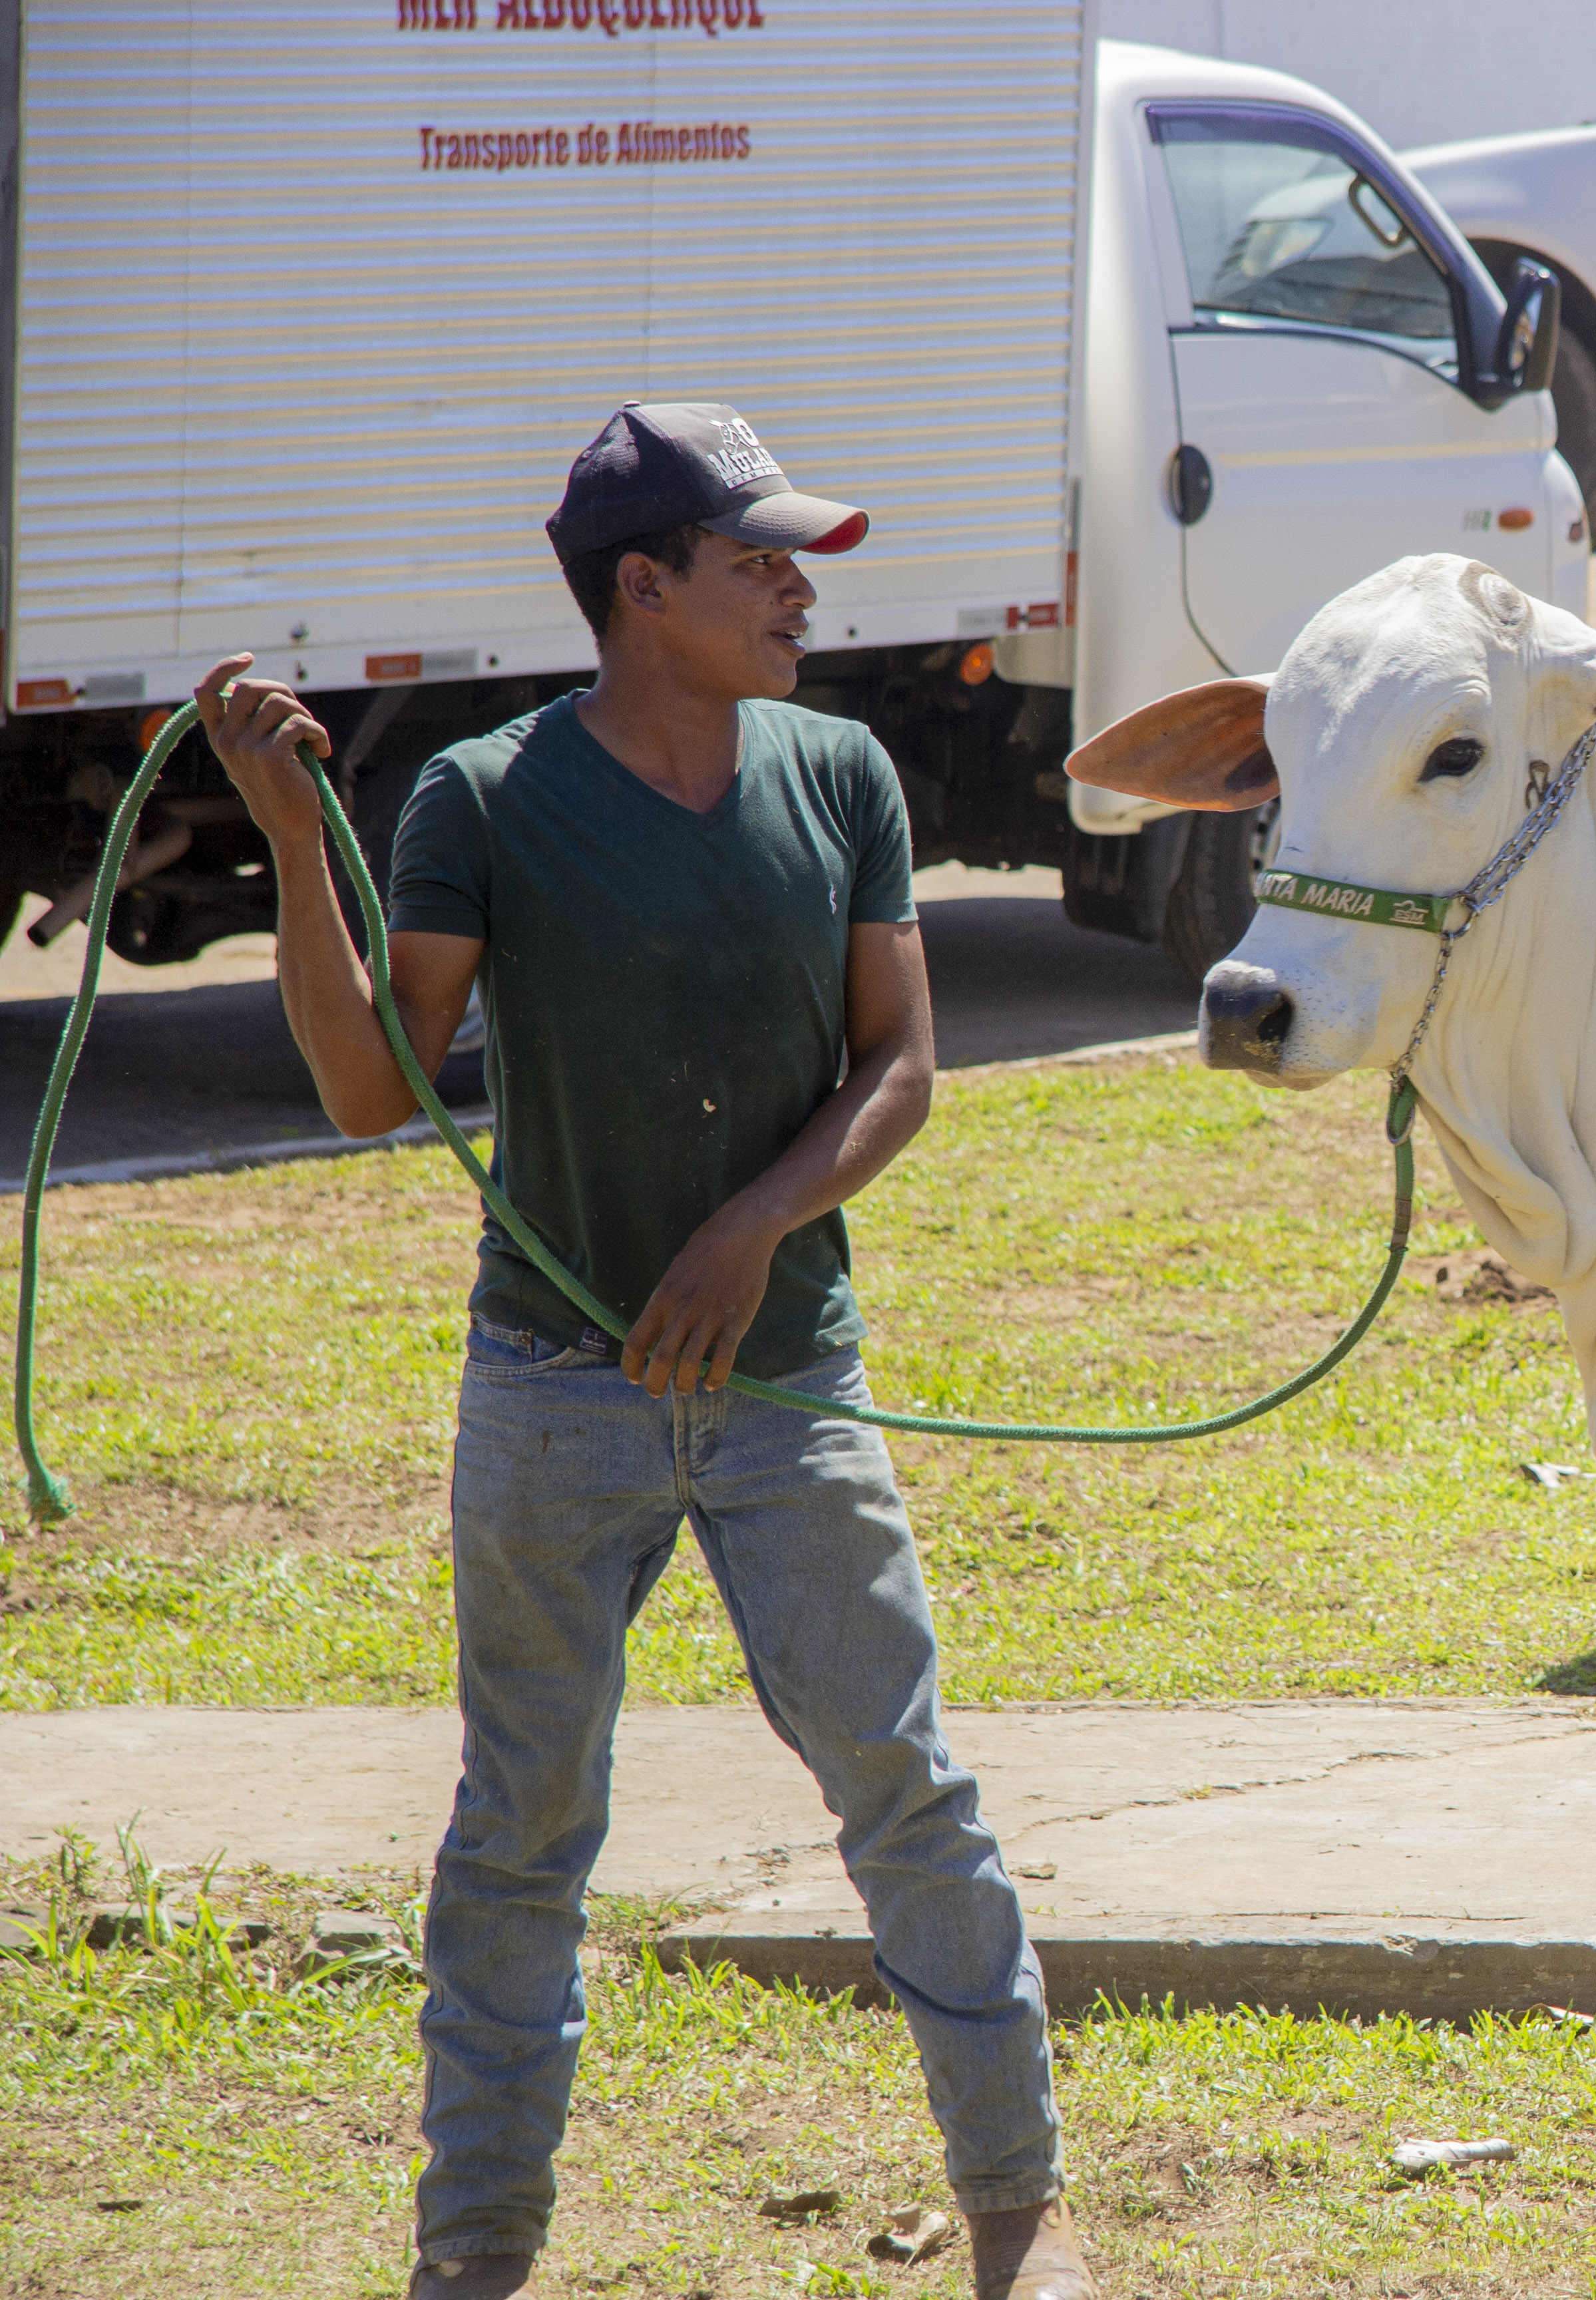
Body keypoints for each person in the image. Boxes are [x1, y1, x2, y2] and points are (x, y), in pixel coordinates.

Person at [199, 403, 1091, 2300]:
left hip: (787, 1389)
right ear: (643, 587)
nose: (797, 587)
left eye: (796, 557)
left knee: (903, 1787)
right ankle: (478, 2254)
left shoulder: (840, 772)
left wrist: (750, 1226)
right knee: (523, 1828)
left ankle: (1023, 2222)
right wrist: (297, 840)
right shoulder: (485, 797)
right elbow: (372, 1089)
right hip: (551, 1393)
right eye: (756, 558)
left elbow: (903, 1065)